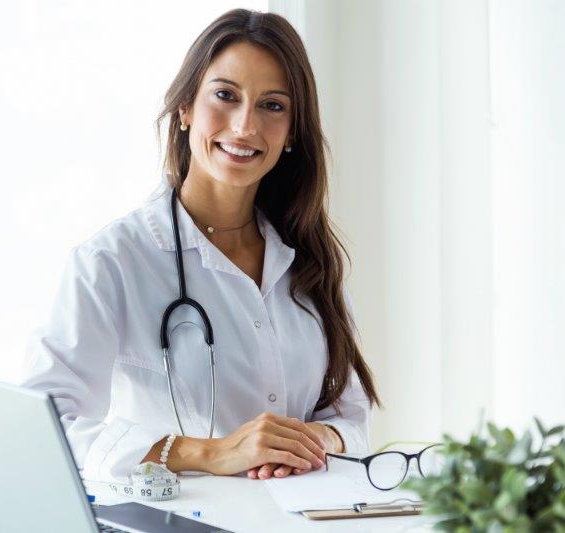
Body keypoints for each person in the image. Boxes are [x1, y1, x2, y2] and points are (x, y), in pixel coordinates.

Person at [21, 8, 380, 483]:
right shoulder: (113, 261)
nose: (244, 126)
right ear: (185, 107)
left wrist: (310, 441)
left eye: (272, 105)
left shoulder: (308, 259)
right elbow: (45, 424)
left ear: (292, 131)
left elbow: (351, 418)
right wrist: (210, 452)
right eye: (226, 96)